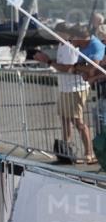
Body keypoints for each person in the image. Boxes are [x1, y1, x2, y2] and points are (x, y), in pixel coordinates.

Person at [36, 33, 95, 164]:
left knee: (78, 122)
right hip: (65, 88)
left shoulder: (70, 46)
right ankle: (66, 152)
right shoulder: (61, 45)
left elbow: (70, 68)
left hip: (75, 88)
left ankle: (89, 154)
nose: (53, 34)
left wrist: (48, 61)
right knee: (64, 120)